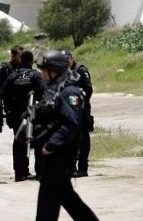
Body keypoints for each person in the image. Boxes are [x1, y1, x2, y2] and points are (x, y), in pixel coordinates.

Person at [32, 50, 99, 221]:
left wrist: (51, 144)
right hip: (53, 157)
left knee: (49, 198)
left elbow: (72, 123)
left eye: (44, 70)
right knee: (66, 197)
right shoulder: (54, 90)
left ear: (54, 71)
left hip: (60, 156)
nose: (42, 74)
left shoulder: (69, 93)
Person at [1, 51, 45, 181]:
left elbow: (4, 93)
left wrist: (10, 108)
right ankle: (40, 173)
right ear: (31, 62)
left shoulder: (13, 75)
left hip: (17, 114)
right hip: (33, 114)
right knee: (38, 141)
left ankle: (20, 173)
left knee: (19, 141)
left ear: (21, 60)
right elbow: (44, 90)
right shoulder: (36, 76)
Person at [61, 49, 94, 178]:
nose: (65, 63)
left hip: (81, 109)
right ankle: (71, 167)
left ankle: (83, 168)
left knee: (83, 139)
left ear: (72, 58)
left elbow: (88, 90)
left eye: (67, 60)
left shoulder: (81, 70)